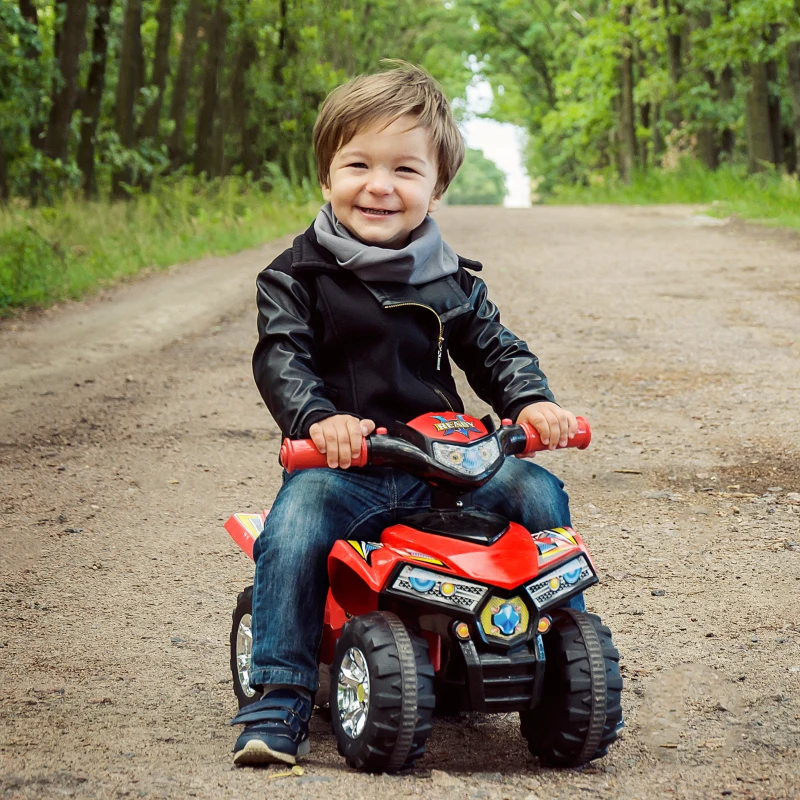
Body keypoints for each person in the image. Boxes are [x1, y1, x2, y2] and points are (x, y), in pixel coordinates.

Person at [231, 62, 583, 767]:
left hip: (446, 464)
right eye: (358, 163)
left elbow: (494, 348)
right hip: (350, 465)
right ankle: (278, 695)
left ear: (436, 186)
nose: (380, 185)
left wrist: (532, 401)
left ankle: (553, 666)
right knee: (294, 527)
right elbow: (282, 358)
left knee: (538, 494)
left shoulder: (450, 279)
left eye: (405, 169)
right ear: (327, 178)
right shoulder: (294, 278)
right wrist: (316, 419)